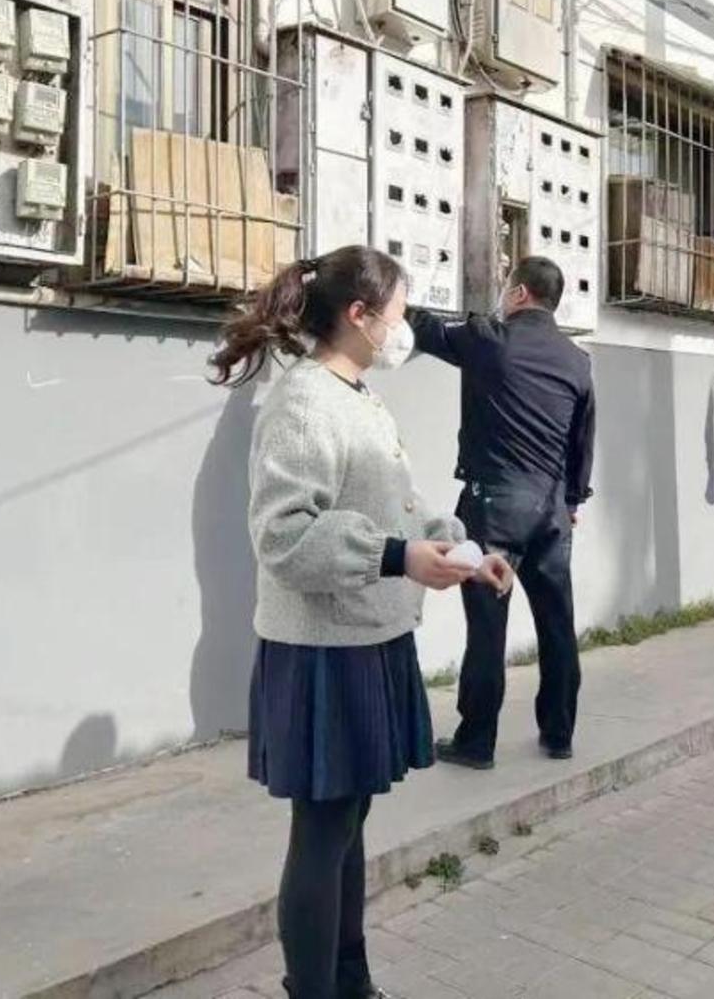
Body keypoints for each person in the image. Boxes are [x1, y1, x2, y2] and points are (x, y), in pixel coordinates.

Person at [209, 246, 514, 999]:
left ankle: (352, 983)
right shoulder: (304, 401)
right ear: (359, 315)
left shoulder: (358, 397)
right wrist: (398, 558)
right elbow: (283, 537)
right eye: (399, 314)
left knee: (348, 831)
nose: (405, 330)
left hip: (368, 638)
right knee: (323, 836)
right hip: (323, 651)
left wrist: (465, 551)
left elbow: (396, 506)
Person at [407, 256, 596, 769]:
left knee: (487, 629)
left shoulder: (488, 339)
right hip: (551, 512)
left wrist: (393, 293)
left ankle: (476, 742)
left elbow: (426, 331)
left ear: (519, 294)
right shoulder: (577, 360)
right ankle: (559, 734)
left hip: (494, 508)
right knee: (557, 625)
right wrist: (573, 500)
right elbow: (583, 440)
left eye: (505, 286)